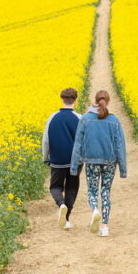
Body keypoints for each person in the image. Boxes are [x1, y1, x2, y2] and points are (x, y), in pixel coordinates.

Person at [70, 90, 127, 237]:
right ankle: (105, 227)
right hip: (110, 162)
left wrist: (74, 166)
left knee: (92, 191)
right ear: (108, 102)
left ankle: (95, 209)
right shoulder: (114, 120)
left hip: (91, 161)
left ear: (95, 100)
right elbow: (119, 145)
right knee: (106, 192)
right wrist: (123, 168)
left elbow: (78, 143)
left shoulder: (85, 119)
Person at [42, 87, 82, 229]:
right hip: (75, 161)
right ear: (75, 100)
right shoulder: (79, 118)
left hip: (57, 159)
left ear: (62, 99)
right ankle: (66, 219)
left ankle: (61, 204)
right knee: (72, 187)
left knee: (55, 186)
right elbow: (83, 139)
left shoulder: (52, 117)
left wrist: (46, 157)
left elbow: (46, 140)